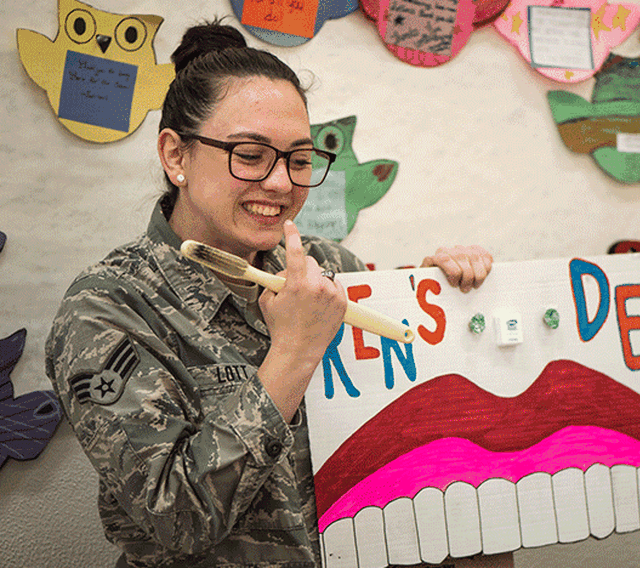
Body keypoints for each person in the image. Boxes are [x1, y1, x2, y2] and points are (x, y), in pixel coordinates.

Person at [45, 21, 492, 568]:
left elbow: (405, 426)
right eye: (251, 155)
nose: (281, 183)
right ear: (176, 156)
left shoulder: (331, 269)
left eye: (300, 160)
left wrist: (432, 296)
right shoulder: (109, 307)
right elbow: (178, 516)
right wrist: (293, 352)